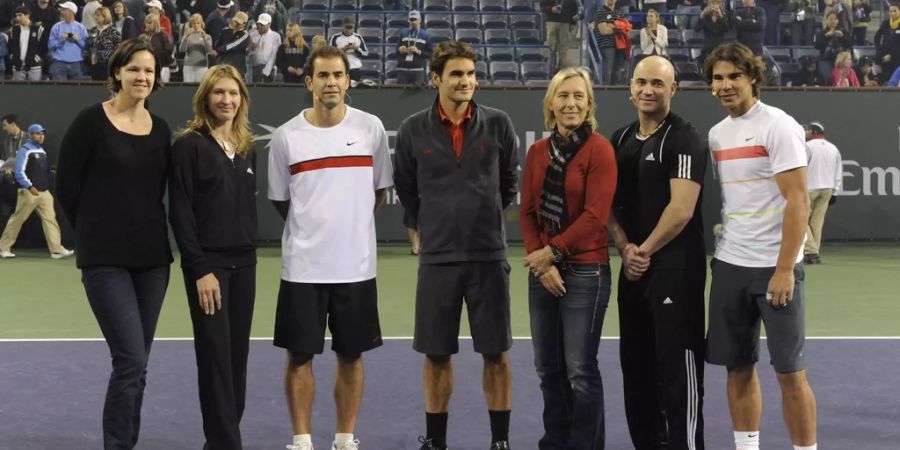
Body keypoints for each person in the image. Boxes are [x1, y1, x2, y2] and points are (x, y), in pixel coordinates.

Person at [393, 41, 518, 450]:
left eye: (471, 74)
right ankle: (436, 441)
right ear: (436, 79)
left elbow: (508, 185)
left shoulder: (499, 123)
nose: (466, 82)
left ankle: (499, 441)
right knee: (436, 355)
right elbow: (407, 189)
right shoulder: (413, 129)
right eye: (457, 75)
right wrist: (428, 225)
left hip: (488, 256)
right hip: (439, 259)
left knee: (496, 354)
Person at [267, 45, 392, 450]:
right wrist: (315, 228)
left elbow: (378, 193)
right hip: (303, 269)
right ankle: (302, 441)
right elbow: (282, 201)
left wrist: (349, 226)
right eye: (322, 76)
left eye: (337, 75)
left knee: (351, 357)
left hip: (356, 268)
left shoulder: (370, 128)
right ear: (309, 83)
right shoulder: (286, 137)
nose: (331, 82)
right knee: (300, 357)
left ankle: (344, 439)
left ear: (348, 81)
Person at [56, 38, 173, 449]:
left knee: (138, 366)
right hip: (105, 261)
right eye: (134, 69)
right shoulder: (90, 122)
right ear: (117, 74)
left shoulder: (160, 130)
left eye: (149, 71)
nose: (142, 77)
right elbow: (66, 187)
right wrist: (92, 232)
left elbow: (158, 191)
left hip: (153, 262)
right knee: (130, 360)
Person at [702, 42, 817, 450]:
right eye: (718, 78)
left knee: (789, 372)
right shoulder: (717, 135)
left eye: (735, 75)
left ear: (752, 77)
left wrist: (785, 268)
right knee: (737, 367)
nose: (726, 84)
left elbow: (798, 200)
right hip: (730, 265)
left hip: (775, 269)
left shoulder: (778, 125)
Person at [608, 55, 707, 450]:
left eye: (658, 84)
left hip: (674, 270)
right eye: (641, 83)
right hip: (633, 271)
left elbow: (681, 210)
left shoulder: (685, 138)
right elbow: (607, 205)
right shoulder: (618, 139)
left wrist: (641, 251)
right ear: (630, 88)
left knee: (677, 371)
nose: (648, 90)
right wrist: (622, 246)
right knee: (636, 368)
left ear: (673, 90)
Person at [519, 66, 617, 450]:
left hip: (586, 271)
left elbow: (595, 216)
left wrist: (552, 253)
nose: (570, 103)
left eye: (578, 96)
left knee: (579, 370)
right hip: (544, 272)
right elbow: (527, 213)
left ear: (589, 104)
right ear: (551, 104)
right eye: (563, 95)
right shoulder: (537, 152)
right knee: (548, 368)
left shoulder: (600, 150)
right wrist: (541, 262)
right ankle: (555, 442)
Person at [169, 64, 257, 450]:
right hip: (210, 269)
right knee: (215, 358)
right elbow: (181, 213)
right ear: (205, 97)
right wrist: (200, 270)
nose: (227, 100)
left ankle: (220, 441)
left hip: (245, 267)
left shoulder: (245, 147)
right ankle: (226, 443)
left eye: (233, 93)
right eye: (219, 93)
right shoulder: (189, 146)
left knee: (237, 358)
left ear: (242, 100)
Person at [0, 124, 74, 259]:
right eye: (38, 133)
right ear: (30, 135)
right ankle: (3, 247)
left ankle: (56, 250)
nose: (41, 136)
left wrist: (50, 170)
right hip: (29, 192)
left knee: (50, 220)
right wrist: (29, 186)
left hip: (44, 193)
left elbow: (40, 170)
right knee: (17, 219)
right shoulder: (25, 150)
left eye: (42, 134)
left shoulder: (41, 150)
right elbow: (19, 171)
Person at [802, 122, 842, 265]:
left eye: (806, 130)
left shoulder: (806, 147)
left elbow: (800, 168)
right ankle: (813, 253)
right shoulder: (833, 148)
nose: (804, 132)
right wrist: (835, 191)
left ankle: (811, 251)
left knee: (801, 220)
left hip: (809, 189)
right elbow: (838, 171)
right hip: (827, 190)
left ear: (813, 132)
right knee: (816, 223)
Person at [47, 1, 88, 80]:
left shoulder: (81, 28)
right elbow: (50, 45)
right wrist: (61, 40)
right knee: (59, 90)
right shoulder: (56, 27)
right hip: (59, 63)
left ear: (71, 12)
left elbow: (86, 47)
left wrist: (78, 40)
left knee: (76, 90)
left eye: (64, 10)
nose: (61, 12)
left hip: (77, 63)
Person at [591, 0, 626, 85]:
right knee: (607, 74)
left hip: (620, 47)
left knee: (617, 74)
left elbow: (626, 28)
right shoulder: (600, 12)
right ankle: (605, 93)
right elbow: (604, 31)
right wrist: (618, 28)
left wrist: (611, 26)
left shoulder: (620, 13)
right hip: (606, 46)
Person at [9, 5, 47, 81]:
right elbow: (10, 46)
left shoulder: (38, 29)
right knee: (19, 91)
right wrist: (13, 56)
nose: (17, 18)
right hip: (18, 66)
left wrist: (38, 57)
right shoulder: (14, 30)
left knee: (34, 91)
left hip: (34, 66)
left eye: (20, 15)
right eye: (16, 16)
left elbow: (44, 47)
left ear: (27, 15)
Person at [540, 0, 581, 70]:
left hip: (565, 23)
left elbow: (574, 10)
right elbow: (542, 6)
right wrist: (551, 9)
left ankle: (562, 70)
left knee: (563, 48)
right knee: (551, 47)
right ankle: (550, 69)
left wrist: (573, 23)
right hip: (551, 22)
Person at [329, 17, 369, 86]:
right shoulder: (335, 37)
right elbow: (330, 54)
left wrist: (357, 49)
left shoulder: (358, 37)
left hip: (355, 68)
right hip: (339, 68)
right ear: (342, 27)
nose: (348, 30)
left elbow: (366, 54)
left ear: (353, 27)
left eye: (350, 27)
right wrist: (343, 50)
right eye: (346, 27)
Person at [814, 11, 853, 83]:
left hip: (841, 62)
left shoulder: (844, 32)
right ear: (826, 20)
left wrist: (842, 37)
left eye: (835, 19)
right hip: (826, 60)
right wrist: (827, 36)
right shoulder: (821, 33)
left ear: (838, 21)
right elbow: (817, 46)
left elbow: (850, 45)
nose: (833, 21)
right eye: (831, 19)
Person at [396, 10, 432, 85]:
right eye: (411, 20)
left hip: (417, 69)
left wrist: (418, 52)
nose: (413, 22)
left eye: (415, 20)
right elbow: (396, 50)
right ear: (409, 21)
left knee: (417, 95)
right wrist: (400, 50)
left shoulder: (426, 35)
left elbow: (430, 54)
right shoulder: (403, 33)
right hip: (402, 69)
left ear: (420, 20)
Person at [212, 11, 250, 78]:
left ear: (244, 23)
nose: (236, 24)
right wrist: (216, 50)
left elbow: (233, 45)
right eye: (235, 21)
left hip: (237, 68)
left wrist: (218, 50)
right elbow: (216, 44)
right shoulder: (225, 31)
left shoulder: (245, 34)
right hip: (223, 66)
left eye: (238, 23)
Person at [89, 7, 121, 81]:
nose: (95, 17)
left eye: (98, 15)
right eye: (95, 15)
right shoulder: (92, 30)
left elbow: (118, 49)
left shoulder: (113, 32)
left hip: (108, 64)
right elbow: (90, 45)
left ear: (105, 17)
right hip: (94, 64)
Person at [179, 13, 213, 83]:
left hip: (202, 66)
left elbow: (209, 50)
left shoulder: (207, 37)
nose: (196, 26)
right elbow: (181, 50)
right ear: (191, 25)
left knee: (200, 88)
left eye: (198, 23)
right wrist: (185, 38)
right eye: (194, 23)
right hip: (188, 66)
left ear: (201, 24)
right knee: (188, 88)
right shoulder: (187, 36)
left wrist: (205, 38)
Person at [248, 12, 281, 83]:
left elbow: (274, 55)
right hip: (254, 67)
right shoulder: (252, 34)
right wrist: (251, 47)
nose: (260, 26)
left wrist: (266, 71)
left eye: (263, 25)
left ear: (269, 24)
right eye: (259, 24)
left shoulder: (275, 36)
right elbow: (248, 51)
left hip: (269, 68)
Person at [696, 0, 731, 66]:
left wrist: (721, 16)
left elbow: (727, 30)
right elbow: (697, 29)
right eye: (713, 4)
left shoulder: (725, 15)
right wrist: (701, 15)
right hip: (708, 45)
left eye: (716, 3)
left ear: (720, 5)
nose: (714, 5)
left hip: (719, 44)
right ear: (709, 5)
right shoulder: (705, 16)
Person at [141, 13, 173, 82]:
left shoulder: (162, 35)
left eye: (149, 23)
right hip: (147, 66)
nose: (147, 25)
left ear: (155, 24)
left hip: (162, 66)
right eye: (146, 23)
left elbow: (169, 50)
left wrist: (154, 53)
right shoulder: (143, 35)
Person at [873, 2, 900, 85]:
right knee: (884, 82)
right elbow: (876, 38)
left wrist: (891, 55)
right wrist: (880, 51)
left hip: (897, 59)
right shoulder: (885, 23)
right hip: (885, 58)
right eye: (890, 11)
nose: (892, 13)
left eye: (895, 11)